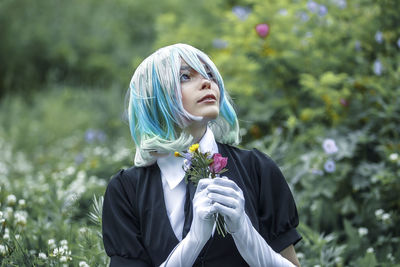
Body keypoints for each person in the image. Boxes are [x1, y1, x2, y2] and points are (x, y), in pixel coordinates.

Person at [102, 43, 302, 266]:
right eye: (185, 76)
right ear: (154, 97)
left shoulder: (258, 169)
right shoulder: (126, 190)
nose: (207, 82)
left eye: (209, 74)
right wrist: (194, 241)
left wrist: (245, 234)